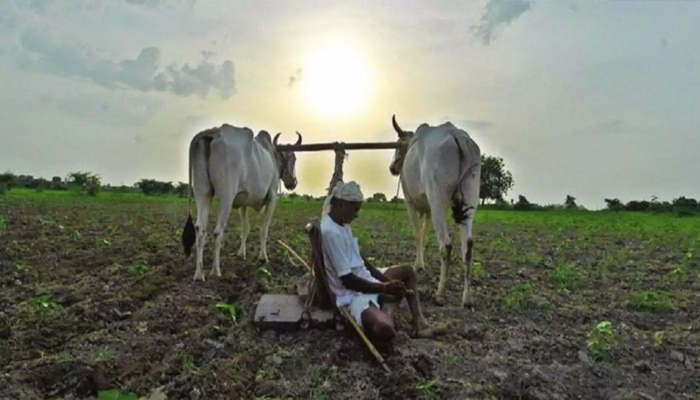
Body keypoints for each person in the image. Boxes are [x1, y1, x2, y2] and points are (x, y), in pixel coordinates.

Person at [320, 180, 435, 341]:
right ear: (343, 205)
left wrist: (385, 282)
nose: (357, 214)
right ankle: (386, 310)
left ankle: (420, 323)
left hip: (365, 279)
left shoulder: (342, 224)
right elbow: (348, 280)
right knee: (384, 329)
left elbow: (361, 261)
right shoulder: (332, 233)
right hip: (352, 295)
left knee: (407, 271)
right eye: (355, 209)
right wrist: (384, 288)